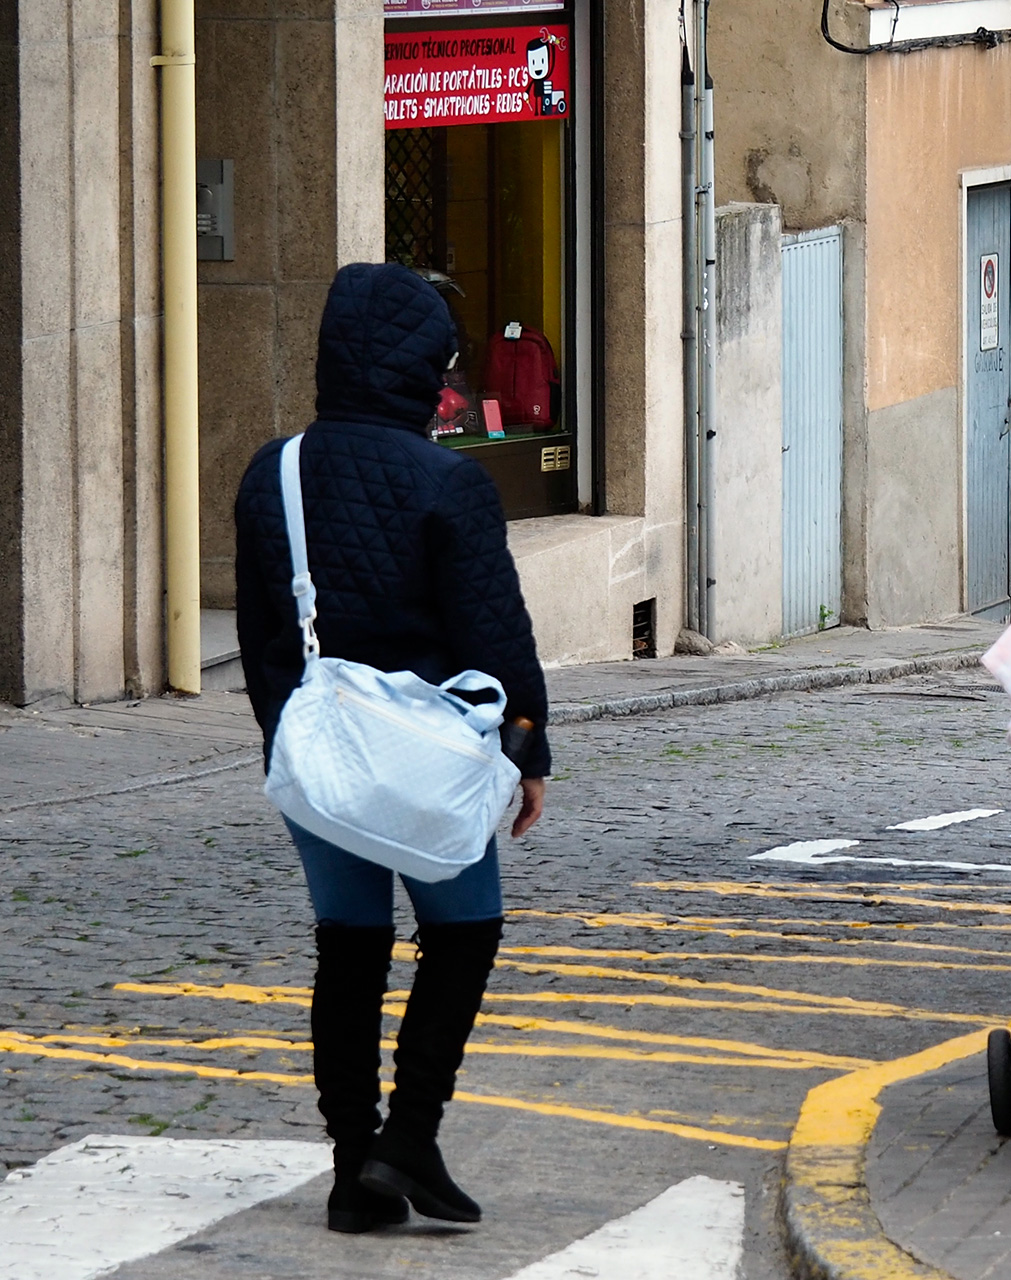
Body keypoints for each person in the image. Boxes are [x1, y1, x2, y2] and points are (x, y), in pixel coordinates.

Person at [234, 262, 552, 1232]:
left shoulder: (272, 472)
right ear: (424, 369)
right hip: (426, 764)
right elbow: (495, 633)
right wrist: (528, 748)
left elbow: (258, 636)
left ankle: (349, 1170)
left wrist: (284, 734)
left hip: (319, 752)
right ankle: (409, 1135)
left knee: (350, 949)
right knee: (465, 933)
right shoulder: (450, 481)